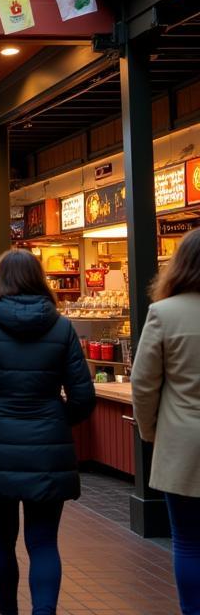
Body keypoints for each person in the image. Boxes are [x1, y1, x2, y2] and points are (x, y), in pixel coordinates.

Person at [0, 249, 95, 615]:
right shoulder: (61, 327)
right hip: (48, 445)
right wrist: (58, 420)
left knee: (0, 534)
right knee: (44, 541)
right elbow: (83, 396)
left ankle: (7, 610)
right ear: (39, 280)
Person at [132, 228, 200, 615]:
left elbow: (143, 384)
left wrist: (151, 431)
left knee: (188, 541)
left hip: (181, 446)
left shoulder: (164, 313)